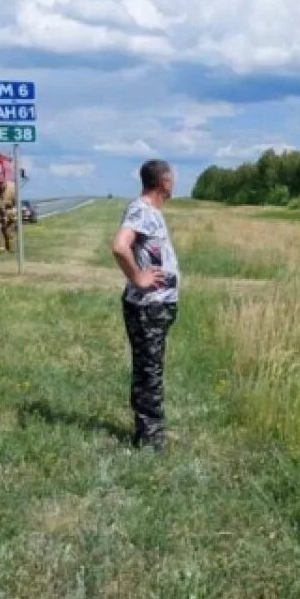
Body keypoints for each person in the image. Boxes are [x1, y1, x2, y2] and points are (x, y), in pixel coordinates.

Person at [111, 160, 181, 451]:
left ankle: (147, 431)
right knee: (149, 370)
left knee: (148, 368)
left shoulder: (150, 212)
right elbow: (119, 246)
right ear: (164, 182)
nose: (175, 183)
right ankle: (151, 439)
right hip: (148, 306)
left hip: (157, 305)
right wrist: (138, 277)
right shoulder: (142, 210)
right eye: (172, 178)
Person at [0, 176, 18, 254]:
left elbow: (16, 202)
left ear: (5, 182)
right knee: (0, 233)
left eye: (2, 183)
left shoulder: (12, 188)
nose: (0, 186)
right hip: (0, 212)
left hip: (10, 211)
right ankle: (3, 250)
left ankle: (11, 250)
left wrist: (8, 206)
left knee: (10, 233)